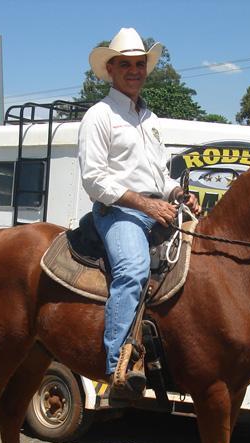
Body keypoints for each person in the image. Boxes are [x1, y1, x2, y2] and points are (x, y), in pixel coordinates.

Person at [78, 27, 201, 393]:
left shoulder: (150, 119)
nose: (134, 71)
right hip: (118, 212)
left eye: (140, 64)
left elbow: (159, 174)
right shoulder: (99, 115)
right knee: (133, 270)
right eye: (125, 64)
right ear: (110, 69)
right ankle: (118, 362)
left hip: (158, 207)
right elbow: (94, 180)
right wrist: (144, 203)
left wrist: (177, 192)